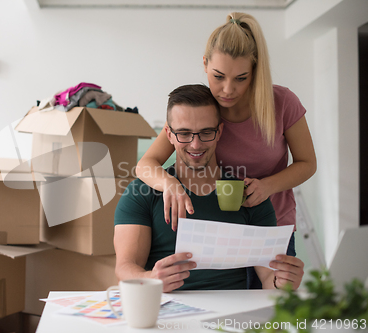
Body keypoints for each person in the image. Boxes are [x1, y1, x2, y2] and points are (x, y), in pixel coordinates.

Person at [135, 12, 316, 263]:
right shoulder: (200, 110)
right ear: (205, 64)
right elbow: (145, 165)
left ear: (255, 71)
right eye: (218, 76)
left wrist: (267, 187)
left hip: (272, 229)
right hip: (219, 231)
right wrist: (169, 184)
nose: (228, 90)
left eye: (241, 78)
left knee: (274, 299)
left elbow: (307, 163)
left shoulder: (283, 103)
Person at [114, 84, 304, 292]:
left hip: (232, 318)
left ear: (219, 131)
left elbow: (268, 278)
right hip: (166, 313)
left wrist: (282, 281)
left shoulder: (247, 195)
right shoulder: (141, 193)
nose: (196, 145)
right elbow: (124, 270)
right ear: (168, 134)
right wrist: (151, 278)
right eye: (184, 134)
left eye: (206, 133)